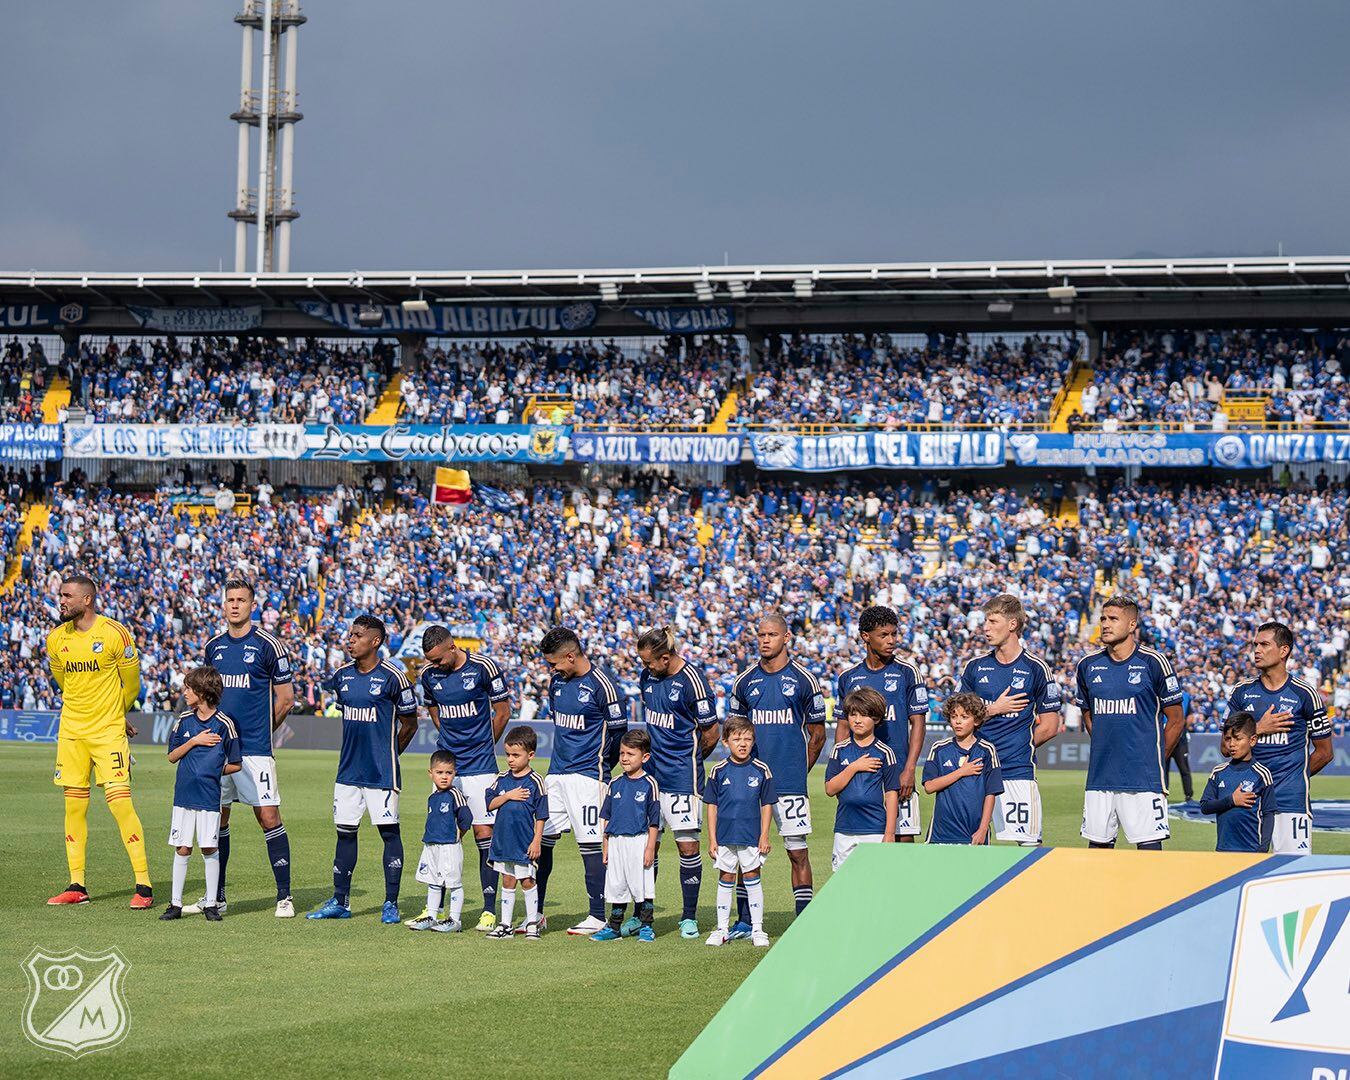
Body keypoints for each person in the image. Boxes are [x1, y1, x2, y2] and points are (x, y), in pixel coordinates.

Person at [186, 578, 295, 918]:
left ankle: (284, 896)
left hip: (255, 750)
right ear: (224, 604)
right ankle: (216, 897)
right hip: (218, 749)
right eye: (230, 599)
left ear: (252, 605)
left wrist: (264, 731)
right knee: (216, 820)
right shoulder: (213, 647)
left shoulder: (268, 646)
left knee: (268, 816)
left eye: (241, 600)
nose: (235, 605)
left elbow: (287, 699)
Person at [45, 572, 155, 909]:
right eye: (60, 595)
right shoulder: (55, 639)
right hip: (72, 733)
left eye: (67, 596)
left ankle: (144, 886)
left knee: (120, 803)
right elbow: (63, 681)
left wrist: (116, 713)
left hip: (107, 731)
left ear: (87, 599)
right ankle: (77, 884)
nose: (61, 601)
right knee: (74, 806)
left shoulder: (115, 634)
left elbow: (132, 686)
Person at [307, 615, 419, 923]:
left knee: (388, 833)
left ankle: (390, 903)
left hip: (381, 772)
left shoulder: (395, 677)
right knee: (344, 833)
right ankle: (340, 901)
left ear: (376, 641)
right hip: (348, 772)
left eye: (357, 635)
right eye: (350, 634)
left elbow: (410, 723)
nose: (350, 640)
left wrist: (390, 754)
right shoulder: (342, 676)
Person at [728, 614, 826, 932]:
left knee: (797, 852)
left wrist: (798, 771)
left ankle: (804, 918)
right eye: (760, 635)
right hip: (751, 786)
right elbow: (734, 732)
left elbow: (818, 736)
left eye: (772, 634)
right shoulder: (744, 682)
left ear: (786, 638)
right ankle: (744, 919)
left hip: (790, 785)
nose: (765, 640)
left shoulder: (804, 680)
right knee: (746, 851)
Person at [536, 626, 628, 936]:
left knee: (590, 846)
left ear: (571, 656)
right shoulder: (557, 683)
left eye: (555, 663)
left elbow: (618, 734)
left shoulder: (604, 686)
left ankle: (598, 915)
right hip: (556, 775)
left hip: (588, 777)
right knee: (541, 842)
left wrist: (602, 767)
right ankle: (536, 911)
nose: (552, 669)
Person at [419, 624, 512, 932]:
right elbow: (434, 709)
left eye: (438, 659)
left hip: (480, 765)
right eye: (430, 660)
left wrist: (485, 744)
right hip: (448, 765)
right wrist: (447, 738)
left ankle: (487, 909)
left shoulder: (483, 667)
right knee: (442, 833)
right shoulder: (429, 676)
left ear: (452, 647)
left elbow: (502, 712)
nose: (435, 665)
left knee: (483, 833)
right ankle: (434, 909)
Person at [1076, 596, 1186, 851]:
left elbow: (1176, 720)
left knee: (1148, 856)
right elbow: (1088, 715)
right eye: (1103, 618)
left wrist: (1155, 758)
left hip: (1143, 779)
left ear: (1132, 624)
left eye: (1113, 619)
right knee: (1097, 854)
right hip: (1100, 777)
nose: (1105, 624)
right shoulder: (1087, 665)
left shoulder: (1153, 663)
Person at [635, 625, 720, 939]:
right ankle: (641, 914)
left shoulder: (692, 681)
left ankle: (688, 917)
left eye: (649, 662)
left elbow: (711, 733)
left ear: (666, 657)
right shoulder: (648, 678)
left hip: (684, 778)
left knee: (687, 847)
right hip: (652, 777)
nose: (645, 668)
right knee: (647, 847)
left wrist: (691, 759)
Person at [958, 594, 1061, 846]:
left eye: (993, 621)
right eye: (985, 621)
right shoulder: (975, 667)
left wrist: (1020, 747)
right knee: (971, 846)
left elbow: (1050, 726)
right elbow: (959, 716)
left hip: (1017, 771)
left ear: (1012, 624)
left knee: (1027, 848)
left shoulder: (1036, 668)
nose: (985, 627)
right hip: (976, 769)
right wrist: (992, 709)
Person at [1227, 622, 1334, 854]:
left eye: (1264, 644)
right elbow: (1226, 747)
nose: (1256, 650)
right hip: (1248, 798)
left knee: (1292, 875)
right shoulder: (1241, 692)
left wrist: (1295, 777)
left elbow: (1325, 752)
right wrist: (1258, 729)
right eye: (1255, 644)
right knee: (1241, 874)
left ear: (1284, 651)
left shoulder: (1305, 694)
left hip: (1290, 801)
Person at [835, 606, 928, 844]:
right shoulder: (848, 678)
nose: (891, 641)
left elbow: (918, 723)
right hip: (863, 773)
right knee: (865, 844)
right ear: (866, 637)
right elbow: (843, 728)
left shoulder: (907, 672)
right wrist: (842, 769)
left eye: (894, 634)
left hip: (898, 771)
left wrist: (908, 769)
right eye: (884, 635)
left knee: (903, 842)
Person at [160, 667, 241, 922]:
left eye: (188, 688)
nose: (184, 692)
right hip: (183, 796)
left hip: (208, 796)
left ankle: (211, 904)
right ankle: (175, 904)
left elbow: (236, 763)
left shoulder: (225, 724)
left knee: (209, 847)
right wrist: (194, 741)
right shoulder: (184, 720)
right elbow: (172, 756)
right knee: (182, 848)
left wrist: (214, 771)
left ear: (202, 692)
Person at [703, 716, 774, 948]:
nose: (742, 744)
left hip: (751, 835)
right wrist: (712, 839)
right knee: (726, 878)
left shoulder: (762, 770)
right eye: (736, 739)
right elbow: (712, 807)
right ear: (726, 742)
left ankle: (757, 929)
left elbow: (766, 805)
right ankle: (722, 928)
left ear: (753, 741)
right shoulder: (717, 771)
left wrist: (764, 835)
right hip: (725, 836)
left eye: (747, 739)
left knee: (752, 878)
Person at [591, 729, 661, 943]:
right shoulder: (615, 783)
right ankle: (613, 927)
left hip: (639, 841)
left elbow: (654, 821)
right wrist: (606, 846)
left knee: (643, 886)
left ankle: (646, 925)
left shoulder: (650, 784)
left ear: (645, 757)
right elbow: (606, 817)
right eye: (622, 753)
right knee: (616, 885)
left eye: (630, 754)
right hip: (616, 842)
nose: (624, 758)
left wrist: (650, 847)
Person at [484, 726, 549, 941]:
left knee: (527, 880)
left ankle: (533, 922)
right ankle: (505, 924)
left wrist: (537, 840)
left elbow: (541, 815)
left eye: (515, 755)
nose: (510, 760)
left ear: (530, 755)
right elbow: (490, 804)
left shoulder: (536, 782)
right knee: (508, 880)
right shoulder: (502, 779)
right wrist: (509, 795)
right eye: (507, 755)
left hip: (524, 842)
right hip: (503, 841)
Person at [824, 688, 900, 869]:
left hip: (874, 829)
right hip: (844, 828)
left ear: (876, 718)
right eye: (853, 714)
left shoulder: (885, 752)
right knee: (842, 882)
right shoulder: (839, 749)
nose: (857, 720)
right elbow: (830, 789)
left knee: (874, 882)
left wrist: (889, 833)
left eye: (864, 715)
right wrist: (854, 767)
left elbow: (891, 795)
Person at [407, 750, 474, 932]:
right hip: (431, 845)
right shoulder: (433, 797)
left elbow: (466, 818)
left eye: (449, 773)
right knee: (434, 882)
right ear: (431, 774)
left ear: (454, 773)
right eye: (439, 772)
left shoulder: (455, 794)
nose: (444, 777)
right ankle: (432, 916)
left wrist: (458, 835)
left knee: (453, 883)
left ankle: (455, 920)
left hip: (449, 847)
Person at [923, 692, 1003, 844]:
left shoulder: (987, 750)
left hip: (974, 833)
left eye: (964, 717)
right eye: (954, 717)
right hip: (941, 834)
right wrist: (961, 772)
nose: (958, 722)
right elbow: (929, 786)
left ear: (977, 720)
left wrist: (983, 829)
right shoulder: (939, 748)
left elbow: (991, 793)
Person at [1199, 712, 1274, 853]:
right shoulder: (1218, 772)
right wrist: (1231, 800)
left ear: (1252, 740)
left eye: (1238, 739)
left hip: (1252, 851)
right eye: (1228, 739)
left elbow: (1268, 814)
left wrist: (1263, 849)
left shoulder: (1262, 774)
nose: (1232, 744)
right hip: (1223, 851)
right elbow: (1205, 806)